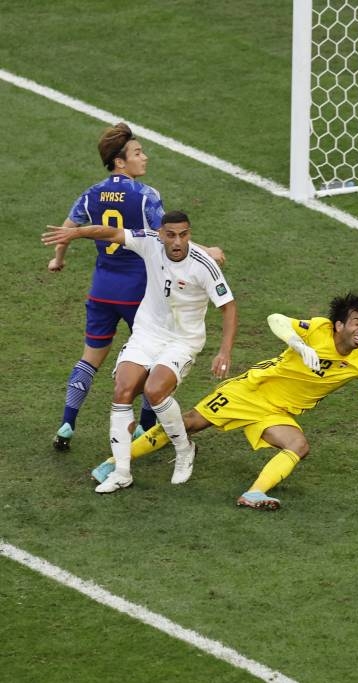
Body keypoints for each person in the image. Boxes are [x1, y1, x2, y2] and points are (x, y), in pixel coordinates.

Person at [88, 292, 358, 511]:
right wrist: (299, 344)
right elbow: (275, 318)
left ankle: (254, 494)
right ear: (339, 325)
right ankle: (115, 461)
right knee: (190, 423)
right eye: (357, 322)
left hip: (278, 412)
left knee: (298, 445)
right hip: (252, 391)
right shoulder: (315, 329)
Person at [46, 122, 224, 451]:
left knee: (89, 358)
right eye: (138, 153)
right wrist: (206, 251)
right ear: (120, 161)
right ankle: (145, 428)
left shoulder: (93, 193)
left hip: (102, 290)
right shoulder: (145, 196)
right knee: (155, 359)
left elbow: (68, 228)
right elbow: (169, 236)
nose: (146, 157)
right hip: (140, 293)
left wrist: (58, 258)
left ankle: (67, 422)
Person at [42, 211, 237, 494]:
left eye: (183, 234)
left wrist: (224, 352)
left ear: (189, 234)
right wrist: (76, 233)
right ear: (161, 234)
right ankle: (122, 473)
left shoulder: (203, 264)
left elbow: (228, 306)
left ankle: (184, 449)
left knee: (155, 391)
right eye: (171, 235)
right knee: (122, 390)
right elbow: (110, 233)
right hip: (147, 334)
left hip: (182, 340)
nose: (177, 241)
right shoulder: (149, 243)